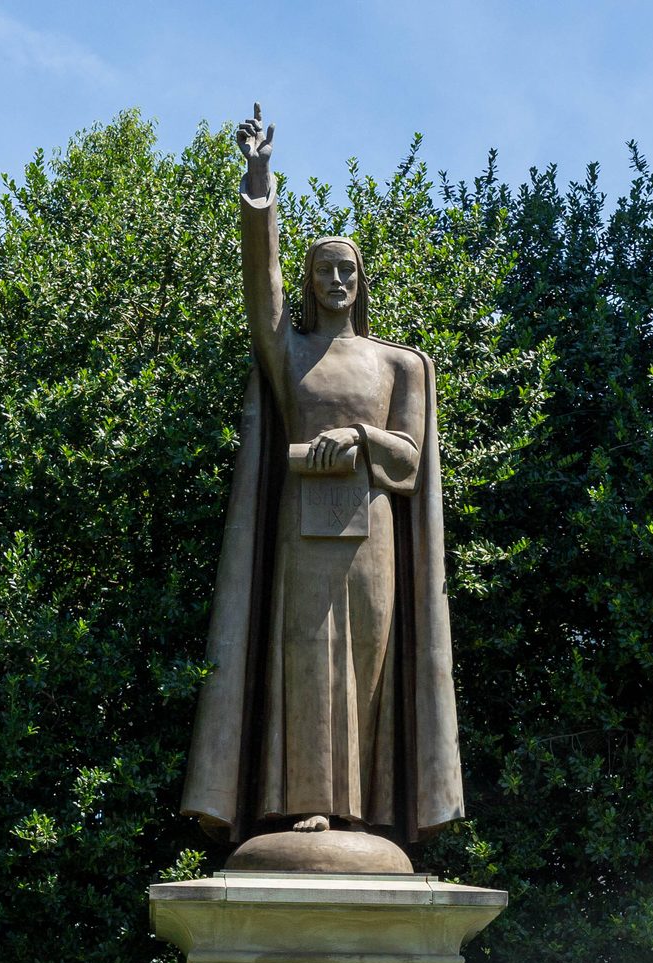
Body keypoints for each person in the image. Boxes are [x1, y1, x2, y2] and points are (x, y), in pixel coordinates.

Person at [182, 103, 463, 848]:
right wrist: (259, 179)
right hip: (302, 536)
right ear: (309, 282)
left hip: (370, 536)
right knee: (308, 663)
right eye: (324, 270)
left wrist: (362, 436)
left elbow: (408, 457)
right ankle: (309, 806)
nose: (337, 279)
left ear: (361, 280)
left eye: (348, 269)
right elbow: (259, 283)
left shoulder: (400, 364)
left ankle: (370, 811)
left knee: (369, 667)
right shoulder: (292, 353)